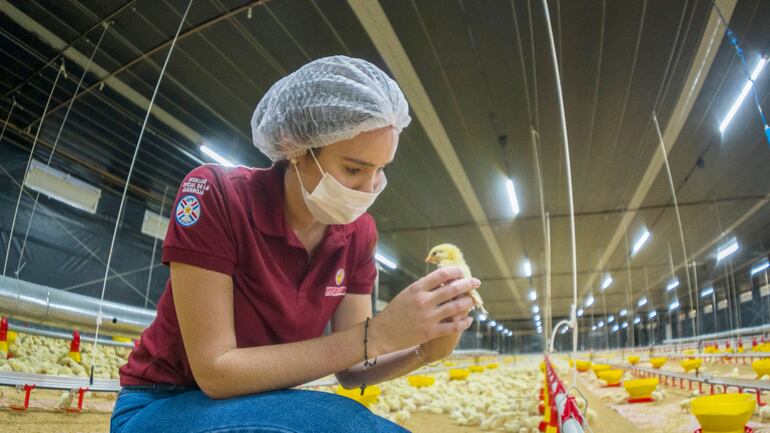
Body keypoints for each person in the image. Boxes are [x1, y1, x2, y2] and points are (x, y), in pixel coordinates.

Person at [111, 56, 479, 433]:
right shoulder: (215, 195)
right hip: (165, 403)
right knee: (344, 425)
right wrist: (380, 333)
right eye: (354, 169)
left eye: (381, 169)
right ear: (296, 147)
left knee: (348, 421)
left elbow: (353, 370)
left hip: (259, 403)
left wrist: (426, 347)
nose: (370, 188)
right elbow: (216, 372)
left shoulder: (359, 235)